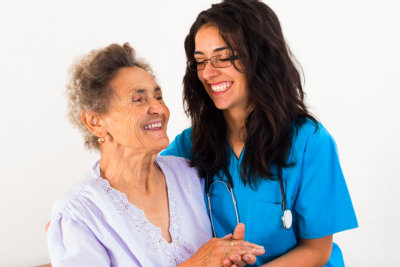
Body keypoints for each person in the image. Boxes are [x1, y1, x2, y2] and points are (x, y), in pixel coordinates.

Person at [161, 0, 358, 266]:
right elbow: (142, 186)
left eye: (223, 57)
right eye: (200, 61)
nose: (208, 72)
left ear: (259, 57)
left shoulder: (309, 141)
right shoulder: (189, 145)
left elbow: (317, 250)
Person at [46, 43, 265, 267]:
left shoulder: (189, 175)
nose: (158, 109)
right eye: (139, 99)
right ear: (95, 122)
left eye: (158, 97)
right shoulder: (78, 213)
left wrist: (227, 259)